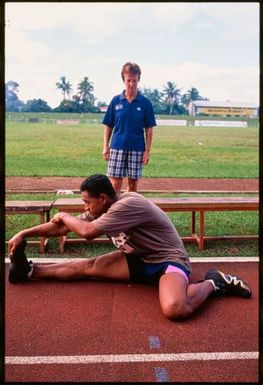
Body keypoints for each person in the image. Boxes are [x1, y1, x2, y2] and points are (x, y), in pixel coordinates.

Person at [8, 174, 252, 321]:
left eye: (87, 202)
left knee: (176, 309)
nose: (85, 208)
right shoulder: (103, 208)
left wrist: (62, 214)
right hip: (138, 259)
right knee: (88, 266)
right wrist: (24, 234)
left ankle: (214, 282)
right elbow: (62, 229)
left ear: (102, 198)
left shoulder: (128, 204)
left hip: (168, 261)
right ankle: (29, 270)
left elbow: (88, 233)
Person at [102, 62, 156, 192]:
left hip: (137, 149)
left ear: (138, 80)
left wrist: (147, 151)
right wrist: (105, 146)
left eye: (134, 80)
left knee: (132, 186)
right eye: (128, 80)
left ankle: (128, 211)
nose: (131, 84)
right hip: (117, 147)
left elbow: (149, 129)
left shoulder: (145, 103)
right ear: (123, 80)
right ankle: (115, 212)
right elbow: (108, 125)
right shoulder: (116, 101)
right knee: (114, 185)